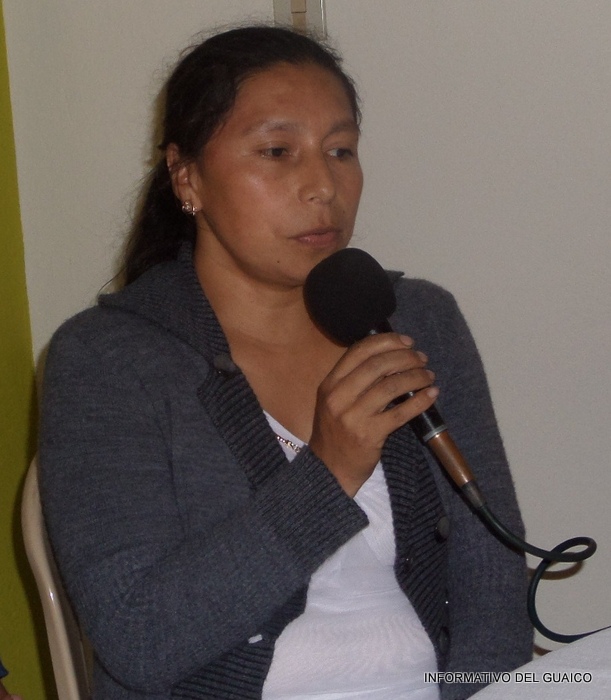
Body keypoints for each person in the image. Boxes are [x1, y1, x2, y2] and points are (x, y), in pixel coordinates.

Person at [39, 25, 532, 700]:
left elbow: (491, 583)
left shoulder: (417, 319)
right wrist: (329, 472)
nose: (323, 186)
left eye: (340, 150)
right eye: (277, 151)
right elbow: (140, 640)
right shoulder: (107, 359)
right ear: (187, 177)